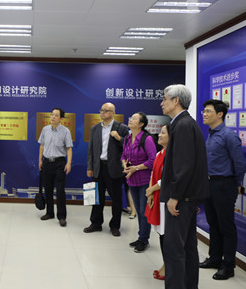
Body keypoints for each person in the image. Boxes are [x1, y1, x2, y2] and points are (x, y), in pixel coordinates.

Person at [148, 84, 209, 289]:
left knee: (174, 249)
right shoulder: (187, 123)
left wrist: (175, 196)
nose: (161, 103)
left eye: (165, 99)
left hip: (181, 198)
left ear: (176, 101)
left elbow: (183, 167)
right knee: (188, 246)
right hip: (189, 196)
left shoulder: (182, 126)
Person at [200, 99, 246, 280]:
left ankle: (228, 266)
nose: (204, 114)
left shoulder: (229, 136)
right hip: (209, 183)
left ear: (220, 114)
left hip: (224, 185)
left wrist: (236, 184)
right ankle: (214, 258)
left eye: (208, 111)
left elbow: (239, 163)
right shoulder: (211, 135)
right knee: (213, 224)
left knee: (226, 226)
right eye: (204, 111)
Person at [83, 103, 129, 237]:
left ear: (113, 112)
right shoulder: (95, 128)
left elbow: (128, 147)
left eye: (106, 110)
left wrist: (118, 138)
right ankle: (95, 223)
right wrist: (90, 167)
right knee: (96, 198)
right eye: (101, 110)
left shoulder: (121, 128)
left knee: (116, 199)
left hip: (114, 168)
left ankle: (115, 226)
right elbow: (91, 149)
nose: (102, 113)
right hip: (98, 167)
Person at [122, 112, 157, 252]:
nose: (130, 120)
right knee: (138, 210)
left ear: (141, 124)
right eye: (130, 117)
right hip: (132, 180)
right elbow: (123, 156)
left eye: (134, 118)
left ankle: (144, 240)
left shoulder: (147, 139)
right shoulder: (127, 138)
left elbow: (153, 160)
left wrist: (136, 168)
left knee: (143, 211)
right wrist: (125, 165)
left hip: (145, 181)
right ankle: (141, 237)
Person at [38, 108, 73, 227]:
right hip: (47, 162)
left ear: (61, 118)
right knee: (48, 189)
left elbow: (69, 148)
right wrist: (40, 160)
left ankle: (61, 216)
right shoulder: (45, 129)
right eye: (52, 114)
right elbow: (42, 146)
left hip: (59, 163)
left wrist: (69, 163)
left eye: (56, 115)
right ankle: (49, 213)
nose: (52, 117)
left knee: (60, 190)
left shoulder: (66, 131)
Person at [145, 124, 170, 281]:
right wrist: (150, 193)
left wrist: (152, 189)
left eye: (163, 133)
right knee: (161, 234)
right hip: (156, 196)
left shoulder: (171, 155)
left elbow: (166, 178)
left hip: (164, 197)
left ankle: (168, 267)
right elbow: (153, 173)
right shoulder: (160, 153)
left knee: (166, 235)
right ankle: (165, 264)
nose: (159, 135)